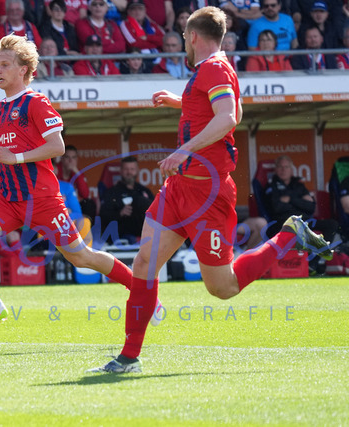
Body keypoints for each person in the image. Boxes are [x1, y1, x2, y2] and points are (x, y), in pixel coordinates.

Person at [87, 6, 333, 374]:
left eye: (184, 38)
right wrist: (182, 102)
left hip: (208, 196)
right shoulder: (210, 69)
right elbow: (231, 111)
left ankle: (288, 235)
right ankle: (128, 357)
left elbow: (229, 118)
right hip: (179, 188)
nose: (184, 44)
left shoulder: (215, 68)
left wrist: (184, 150)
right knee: (144, 263)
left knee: (223, 288)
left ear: (192, 37)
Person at [0, 34, 161, 336]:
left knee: (81, 256)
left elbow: (57, 147)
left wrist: (14, 159)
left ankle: (144, 292)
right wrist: (6, 167)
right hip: (10, 198)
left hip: (42, 200)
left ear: (23, 70)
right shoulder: (3, 106)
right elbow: (23, 151)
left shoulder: (36, 102)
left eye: (4, 64)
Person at [265, 155, 338, 241]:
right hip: (284, 223)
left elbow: (311, 207)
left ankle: (321, 250)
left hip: (304, 221)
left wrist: (290, 199)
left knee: (332, 224)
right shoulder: (271, 186)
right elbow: (277, 208)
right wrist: (300, 202)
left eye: (286, 167)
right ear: (276, 169)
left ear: (291, 170)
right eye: (280, 167)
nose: (283, 170)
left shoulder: (299, 185)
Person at [99, 156, 154, 243]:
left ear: (137, 170)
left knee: (142, 202)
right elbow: (103, 215)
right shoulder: (112, 192)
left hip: (144, 230)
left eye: (132, 169)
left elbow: (156, 212)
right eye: (126, 169)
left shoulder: (144, 191)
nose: (129, 172)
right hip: (122, 231)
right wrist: (120, 213)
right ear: (121, 171)